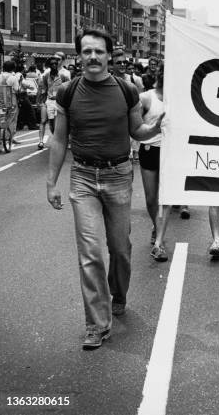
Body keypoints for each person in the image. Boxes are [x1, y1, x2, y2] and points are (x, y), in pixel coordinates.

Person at [46, 28, 164, 350]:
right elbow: (59, 139)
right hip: (82, 177)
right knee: (90, 253)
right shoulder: (67, 93)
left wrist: (151, 128)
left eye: (99, 51)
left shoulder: (127, 91)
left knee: (120, 249)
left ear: (109, 55)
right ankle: (97, 324)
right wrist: (51, 181)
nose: (93, 57)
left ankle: (119, 293)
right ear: (79, 55)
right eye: (87, 51)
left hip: (118, 176)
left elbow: (136, 129)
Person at [138, 63, 170, 262]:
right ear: (159, 74)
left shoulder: (177, 99)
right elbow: (135, 125)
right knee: (151, 198)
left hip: (170, 152)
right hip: (149, 150)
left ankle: (159, 240)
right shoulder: (146, 97)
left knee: (167, 197)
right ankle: (156, 226)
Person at [38, 54, 70, 149]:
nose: (54, 65)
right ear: (49, 65)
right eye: (52, 64)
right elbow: (42, 89)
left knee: (57, 123)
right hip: (48, 101)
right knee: (47, 122)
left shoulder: (63, 76)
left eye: (56, 63)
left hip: (59, 102)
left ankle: (60, 141)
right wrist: (41, 102)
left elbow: (68, 87)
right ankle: (41, 142)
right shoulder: (46, 76)